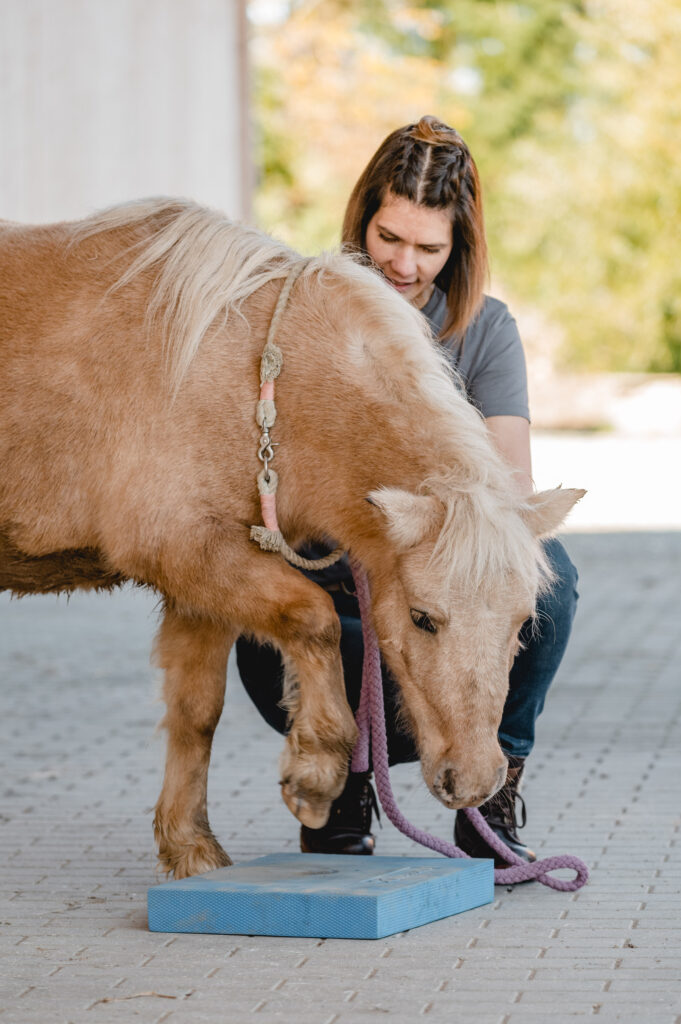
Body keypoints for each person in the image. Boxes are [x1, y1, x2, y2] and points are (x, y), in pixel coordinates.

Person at [236, 116, 579, 869]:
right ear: (360, 221)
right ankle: (344, 778)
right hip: (330, 570)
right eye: (388, 237)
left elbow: (509, 492)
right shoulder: (306, 317)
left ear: (459, 248)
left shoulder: (484, 329)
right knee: (302, 617)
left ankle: (490, 782)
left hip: (439, 572)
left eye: (429, 248)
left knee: (552, 588)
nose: (403, 264)